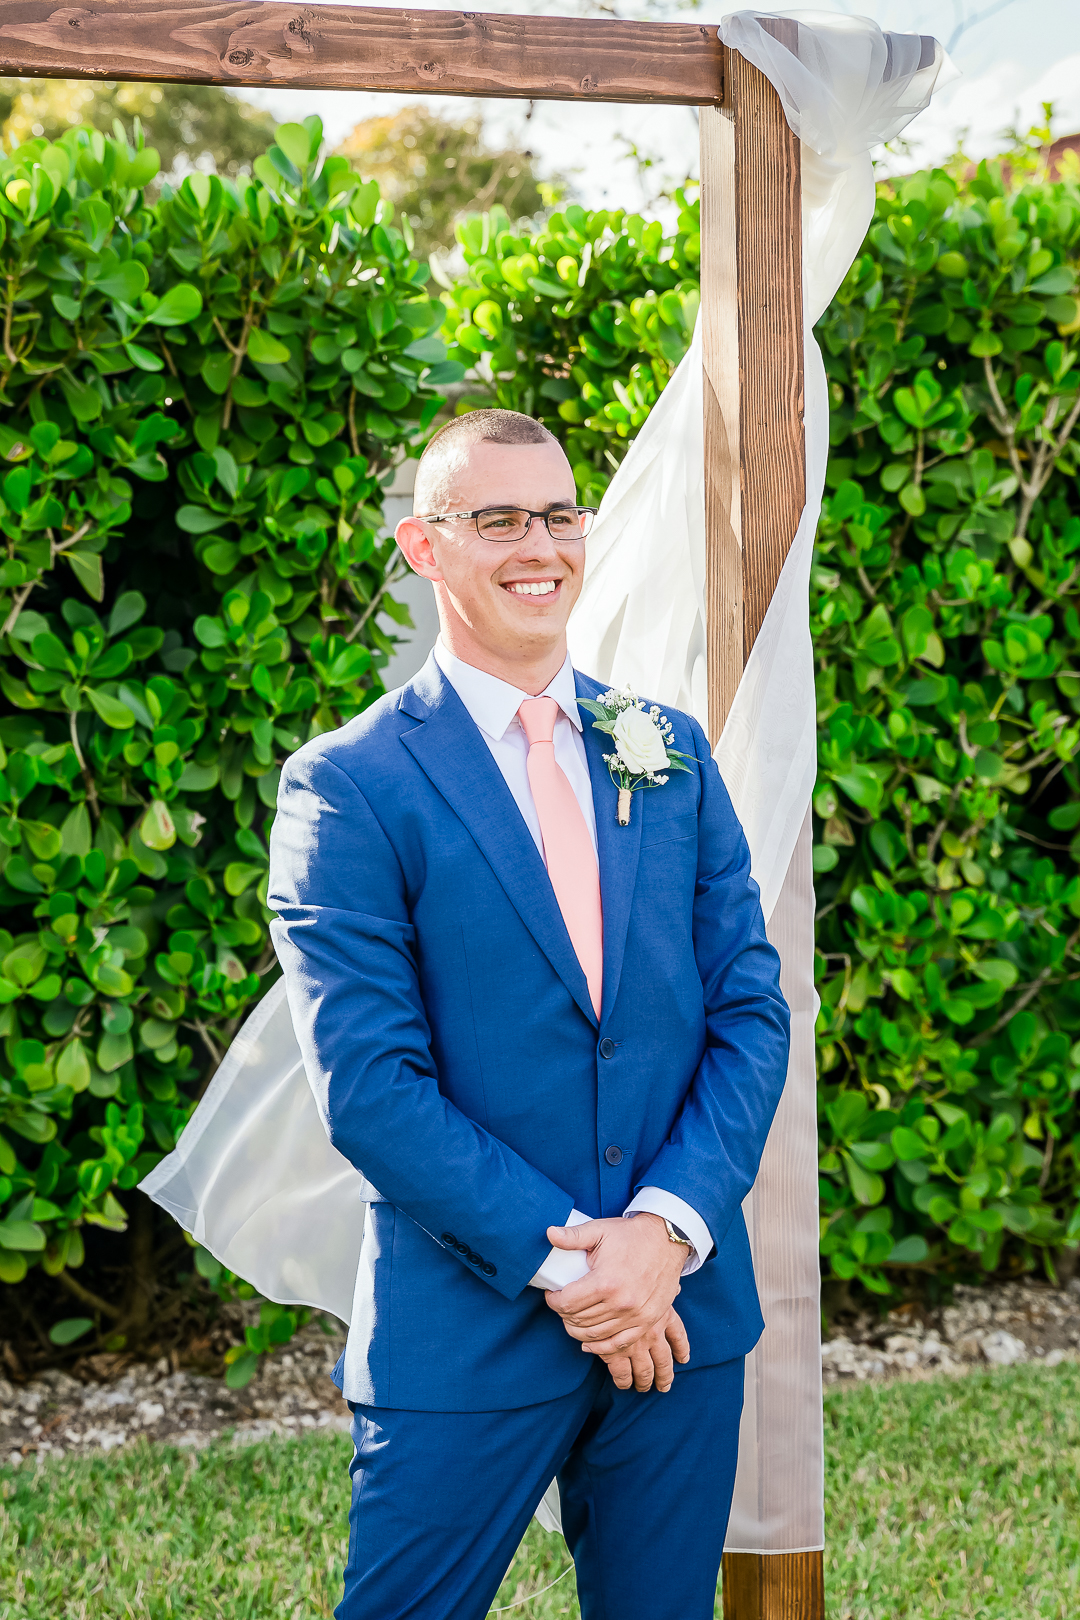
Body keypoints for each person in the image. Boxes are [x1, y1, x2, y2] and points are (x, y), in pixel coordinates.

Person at [267, 408, 791, 1620]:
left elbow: (750, 1013)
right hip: (470, 1326)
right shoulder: (349, 785)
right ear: (424, 546)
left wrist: (659, 1234)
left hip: (679, 1316)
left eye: (559, 515)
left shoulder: (666, 752)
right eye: (498, 520)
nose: (540, 547)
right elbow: (370, 1089)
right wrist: (578, 1269)